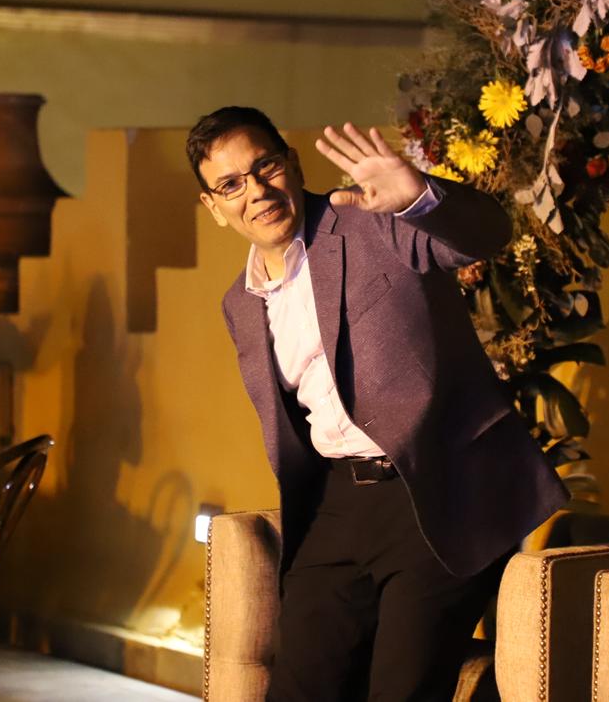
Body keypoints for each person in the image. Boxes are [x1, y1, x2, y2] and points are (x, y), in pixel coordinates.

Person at [187, 107, 567, 700]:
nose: (256, 192)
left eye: (266, 167)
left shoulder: (372, 219)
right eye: (231, 185)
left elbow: (489, 235)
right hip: (336, 507)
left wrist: (421, 199)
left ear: (293, 164)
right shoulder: (240, 302)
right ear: (214, 207)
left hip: (435, 488)